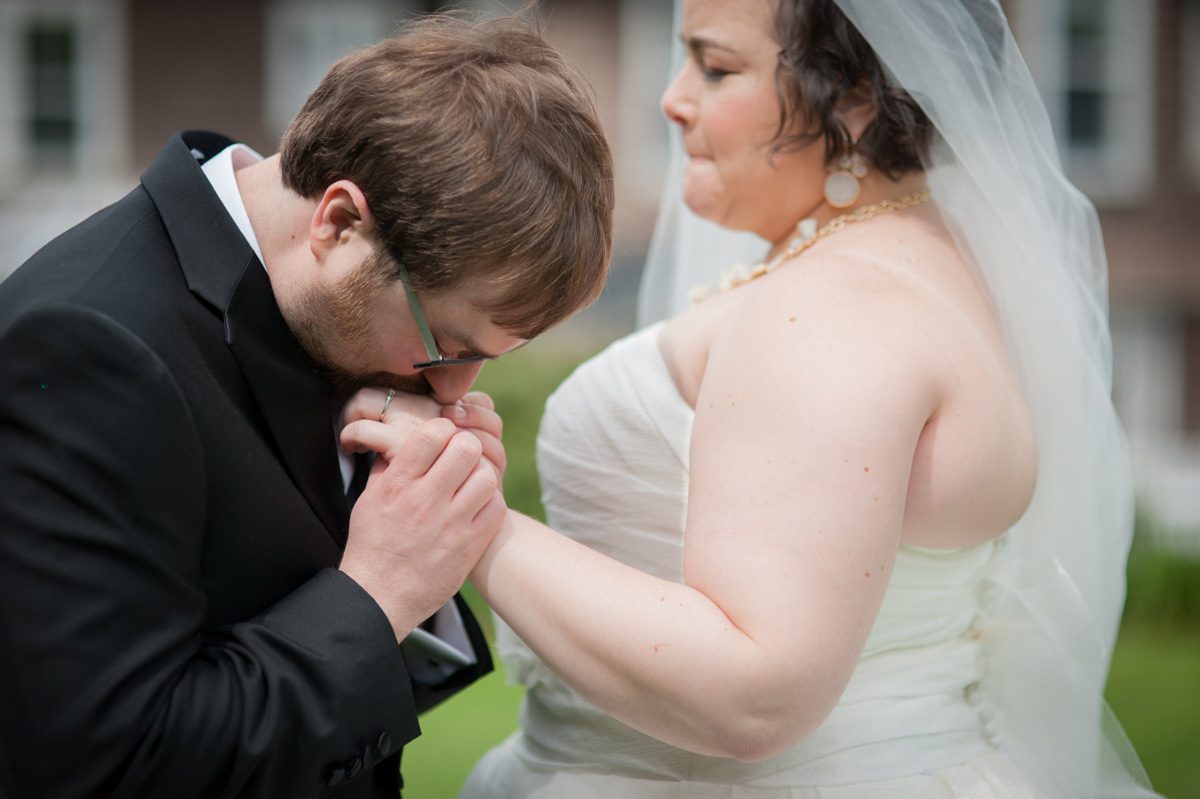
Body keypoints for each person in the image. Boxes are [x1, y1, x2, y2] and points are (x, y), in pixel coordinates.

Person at [351, 0, 1161, 795]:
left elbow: (756, 690)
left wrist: (465, 512)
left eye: (716, 65)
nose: (673, 99)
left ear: (852, 96)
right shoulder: (931, 263)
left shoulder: (833, 308)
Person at [0, 13, 612, 799]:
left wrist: (421, 528)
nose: (458, 389)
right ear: (340, 222)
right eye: (450, 343)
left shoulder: (307, 314)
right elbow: (108, 767)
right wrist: (380, 590)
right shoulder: (87, 346)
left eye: (488, 360)